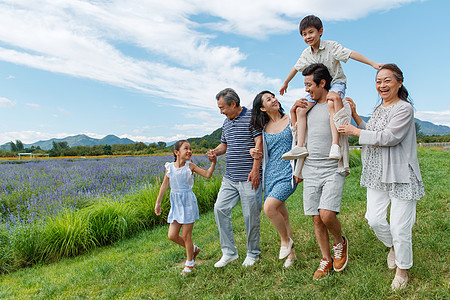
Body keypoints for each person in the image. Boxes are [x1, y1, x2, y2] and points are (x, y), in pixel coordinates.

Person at [338, 63, 425, 291]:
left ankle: (402, 270)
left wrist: (356, 132)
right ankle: (394, 247)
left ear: (399, 82)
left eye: (387, 80)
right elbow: (373, 131)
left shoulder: (404, 108)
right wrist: (356, 116)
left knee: (399, 226)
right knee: (374, 219)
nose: (382, 85)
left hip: (400, 173)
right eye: (378, 81)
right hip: (376, 172)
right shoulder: (378, 109)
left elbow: (389, 137)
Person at [280, 14, 382, 161]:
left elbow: (350, 54)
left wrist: (372, 63)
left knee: (331, 102)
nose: (308, 36)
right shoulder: (306, 54)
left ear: (320, 31)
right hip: (318, 87)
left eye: (311, 32)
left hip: (336, 82)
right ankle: (300, 146)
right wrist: (286, 82)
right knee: (301, 109)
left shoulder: (331, 46)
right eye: (304, 34)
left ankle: (335, 145)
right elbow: (296, 68)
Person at [294, 63, 349, 280]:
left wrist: (340, 105)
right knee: (317, 218)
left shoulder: (335, 103)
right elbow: (296, 135)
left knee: (327, 214)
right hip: (311, 168)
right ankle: (326, 258)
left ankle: (340, 242)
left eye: (309, 84)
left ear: (322, 83)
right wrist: (293, 112)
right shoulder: (307, 107)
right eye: (305, 85)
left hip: (333, 168)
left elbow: (345, 125)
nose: (307, 89)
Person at [207, 88, 263, 268]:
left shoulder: (252, 117)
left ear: (233, 103)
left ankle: (253, 253)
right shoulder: (226, 123)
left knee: (250, 216)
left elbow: (258, 143)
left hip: (249, 177)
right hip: (230, 177)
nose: (221, 111)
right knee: (219, 209)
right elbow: (225, 145)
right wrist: (215, 152)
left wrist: (256, 171)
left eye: (222, 107)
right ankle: (229, 253)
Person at [249, 91, 300, 268]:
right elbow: (259, 151)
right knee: (283, 215)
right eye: (268, 100)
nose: (274, 100)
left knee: (269, 207)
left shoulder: (291, 119)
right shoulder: (264, 129)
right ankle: (291, 256)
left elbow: (301, 144)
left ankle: (286, 242)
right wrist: (253, 152)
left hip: (288, 172)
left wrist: (299, 170)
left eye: (273, 97)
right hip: (270, 174)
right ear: (262, 108)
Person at [154, 140, 216, 275]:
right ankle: (193, 249)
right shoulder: (169, 167)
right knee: (172, 235)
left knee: (186, 235)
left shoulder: (190, 166)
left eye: (190, 149)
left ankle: (190, 263)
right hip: (176, 204)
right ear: (177, 152)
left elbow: (207, 175)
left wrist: (213, 163)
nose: (189, 151)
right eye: (185, 148)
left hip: (188, 203)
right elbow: (164, 185)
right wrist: (158, 202)